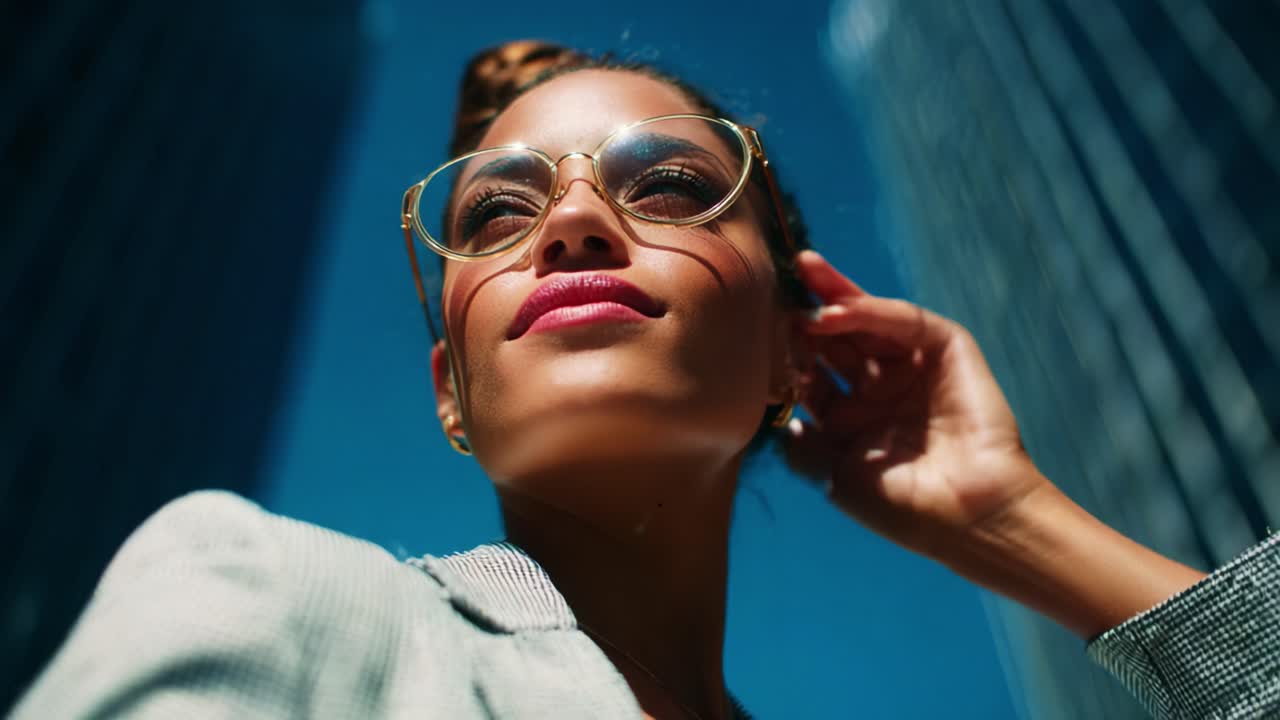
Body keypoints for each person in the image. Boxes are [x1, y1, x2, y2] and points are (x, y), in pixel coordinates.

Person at [11, 40, 1278, 720]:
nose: (568, 225)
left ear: (798, 342)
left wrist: (1013, 521)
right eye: (497, 212)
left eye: (667, 185)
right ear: (452, 390)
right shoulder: (268, 594)